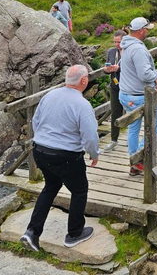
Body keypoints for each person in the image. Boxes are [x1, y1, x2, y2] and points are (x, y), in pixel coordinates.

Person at [20, 65, 99, 252]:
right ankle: (74, 234)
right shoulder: (82, 104)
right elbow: (90, 136)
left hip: (40, 150)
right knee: (79, 190)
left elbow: (35, 121)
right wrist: (94, 154)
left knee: (51, 186)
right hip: (66, 156)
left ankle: (32, 232)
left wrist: (46, 140)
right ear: (83, 81)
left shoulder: (50, 96)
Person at [118, 17, 157, 176]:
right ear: (141, 30)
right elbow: (144, 75)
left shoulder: (127, 45)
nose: (148, 31)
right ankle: (139, 157)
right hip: (138, 96)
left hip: (126, 94)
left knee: (133, 127)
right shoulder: (137, 49)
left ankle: (135, 161)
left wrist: (154, 79)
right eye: (147, 29)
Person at [103, 29, 126, 152]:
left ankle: (134, 138)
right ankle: (113, 140)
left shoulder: (130, 52)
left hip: (128, 86)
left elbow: (132, 68)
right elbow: (107, 66)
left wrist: (119, 68)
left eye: (119, 42)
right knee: (115, 112)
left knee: (132, 112)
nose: (117, 44)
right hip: (115, 85)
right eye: (115, 42)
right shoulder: (112, 52)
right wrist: (107, 69)